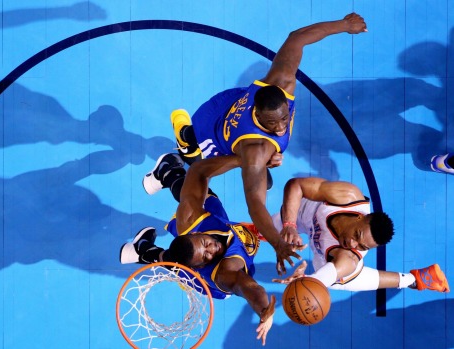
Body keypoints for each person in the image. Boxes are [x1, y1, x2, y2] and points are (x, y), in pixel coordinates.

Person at [143, 13, 369, 275]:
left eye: (285, 117)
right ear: (259, 116)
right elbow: (255, 204)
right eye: (274, 124)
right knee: (198, 169)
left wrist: (343, 25)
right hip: (215, 135)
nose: (282, 126)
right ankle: (183, 145)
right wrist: (276, 243)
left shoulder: (281, 83)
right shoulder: (255, 151)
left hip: (231, 105)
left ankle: (184, 152)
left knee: (263, 174)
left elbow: (297, 39)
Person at [121, 153, 276, 345]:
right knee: (176, 264)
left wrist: (244, 160)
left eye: (205, 245)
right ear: (199, 266)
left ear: (194, 234)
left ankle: (168, 173)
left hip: (218, 229)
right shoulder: (225, 272)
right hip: (211, 282)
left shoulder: (189, 220)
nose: (212, 250)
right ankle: (142, 251)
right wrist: (264, 310)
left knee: (201, 195)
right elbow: (248, 287)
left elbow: (198, 171)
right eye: (206, 257)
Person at [270, 176, 449, 293]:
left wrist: (305, 281)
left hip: (323, 255)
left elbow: (320, 281)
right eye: (356, 235)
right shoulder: (348, 197)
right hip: (306, 214)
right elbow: (296, 185)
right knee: (268, 229)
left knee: (341, 280)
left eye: (362, 246)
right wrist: (290, 225)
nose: (352, 243)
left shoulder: (349, 257)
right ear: (358, 216)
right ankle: (268, 230)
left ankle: (414, 279)